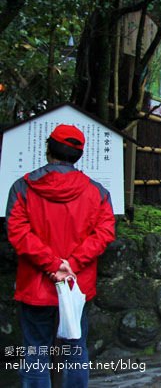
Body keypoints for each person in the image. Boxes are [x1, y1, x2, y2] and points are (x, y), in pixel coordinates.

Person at [6, 124, 116, 387]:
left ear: (48, 149)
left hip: (35, 284)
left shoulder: (22, 188)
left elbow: (18, 233)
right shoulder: (98, 192)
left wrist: (53, 264)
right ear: (79, 155)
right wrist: (72, 264)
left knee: (35, 350)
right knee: (75, 349)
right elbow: (104, 233)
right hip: (75, 285)